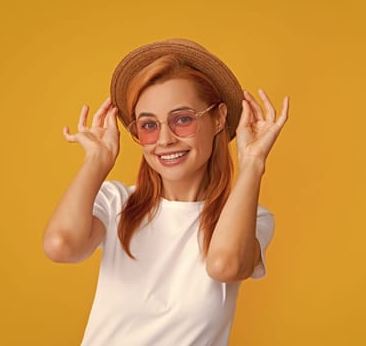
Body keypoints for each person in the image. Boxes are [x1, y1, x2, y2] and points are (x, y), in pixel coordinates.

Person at [42, 38, 289, 346]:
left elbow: (225, 265)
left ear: (219, 118)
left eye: (182, 119)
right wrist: (97, 159)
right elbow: (60, 246)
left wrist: (253, 163)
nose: (165, 139)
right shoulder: (116, 202)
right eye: (148, 125)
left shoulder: (251, 219)